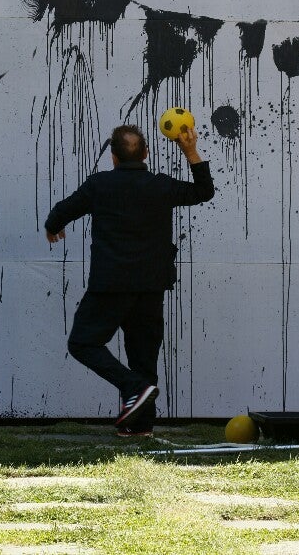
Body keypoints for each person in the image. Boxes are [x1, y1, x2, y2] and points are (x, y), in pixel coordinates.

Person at [44, 124, 215, 436]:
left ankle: (134, 390)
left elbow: (63, 210)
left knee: (83, 343)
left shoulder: (99, 185)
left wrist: (53, 225)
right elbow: (204, 192)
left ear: (113, 158)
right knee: (143, 357)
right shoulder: (160, 185)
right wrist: (190, 152)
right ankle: (140, 427)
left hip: (110, 286)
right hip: (151, 287)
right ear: (146, 154)